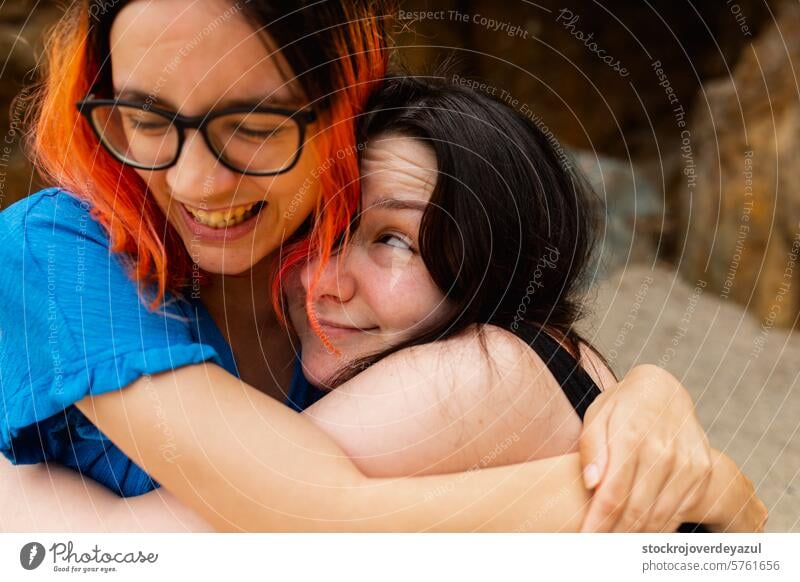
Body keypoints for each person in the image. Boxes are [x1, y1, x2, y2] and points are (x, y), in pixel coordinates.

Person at [0, 0, 765, 532]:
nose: (197, 183)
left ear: (341, 105)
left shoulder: (332, 290)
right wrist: (694, 493)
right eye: (144, 118)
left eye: (256, 127)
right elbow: (312, 514)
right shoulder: (61, 249)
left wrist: (648, 394)